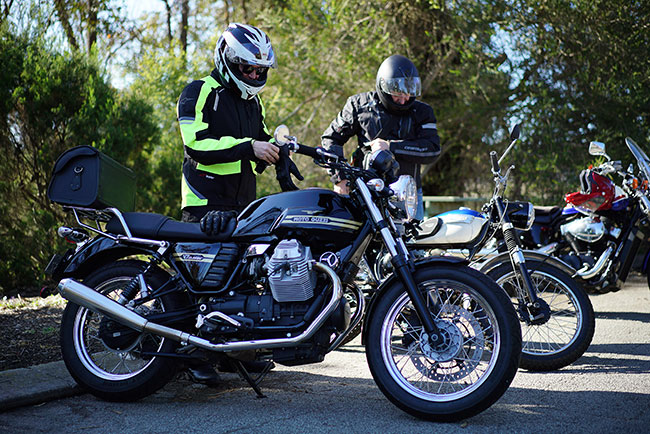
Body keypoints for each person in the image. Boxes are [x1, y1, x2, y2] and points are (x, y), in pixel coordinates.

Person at [176, 22, 296, 385]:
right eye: (248, 68)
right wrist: (250, 147)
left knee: (243, 278)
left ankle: (235, 353)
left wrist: (279, 151)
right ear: (227, 59)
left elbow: (258, 143)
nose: (255, 74)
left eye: (260, 70)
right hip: (203, 201)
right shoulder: (199, 91)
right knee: (204, 285)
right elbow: (196, 143)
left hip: (241, 204)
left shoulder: (253, 102)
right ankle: (192, 355)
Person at [321, 54, 441, 220]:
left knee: (410, 245)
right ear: (383, 86)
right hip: (365, 193)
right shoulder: (358, 105)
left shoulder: (422, 112)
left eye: (409, 92)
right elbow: (330, 138)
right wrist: (339, 179)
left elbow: (432, 149)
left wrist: (391, 147)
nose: (404, 99)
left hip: (407, 197)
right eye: (397, 93)